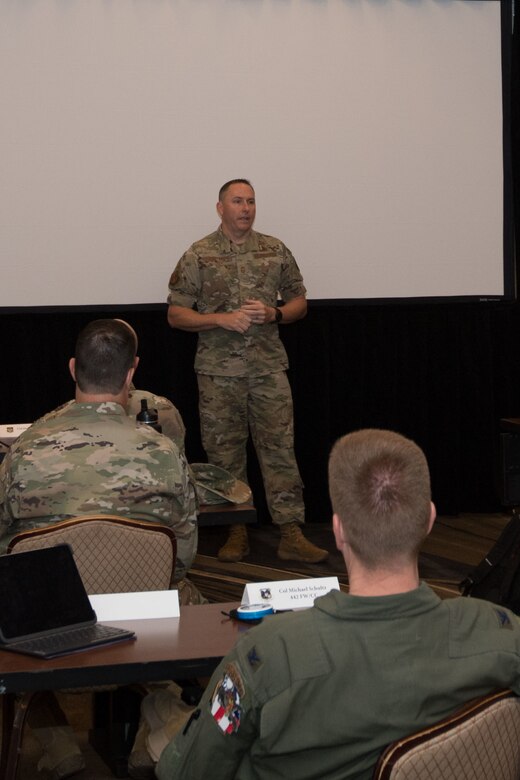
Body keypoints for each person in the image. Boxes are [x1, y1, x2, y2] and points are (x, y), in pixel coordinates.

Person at [155, 428, 520, 780]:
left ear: (338, 530)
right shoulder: (501, 632)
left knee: (157, 716)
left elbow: (190, 770)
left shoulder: (268, 655)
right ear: (429, 519)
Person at [0, 319, 199, 780]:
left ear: (73, 369)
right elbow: (183, 555)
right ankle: (165, 715)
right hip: (143, 622)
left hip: (46, 633)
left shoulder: (24, 451)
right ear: (132, 373)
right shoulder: (164, 453)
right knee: (192, 596)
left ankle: (56, 742)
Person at [167, 178, 327, 564]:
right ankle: (235, 530)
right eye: (237, 201)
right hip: (218, 373)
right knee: (224, 454)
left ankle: (290, 532)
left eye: (251, 202)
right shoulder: (199, 254)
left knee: (279, 449)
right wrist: (219, 319)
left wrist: (275, 313)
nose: (246, 209)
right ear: (220, 208)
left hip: (268, 368)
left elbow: (300, 303)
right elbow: (175, 314)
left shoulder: (275, 249)